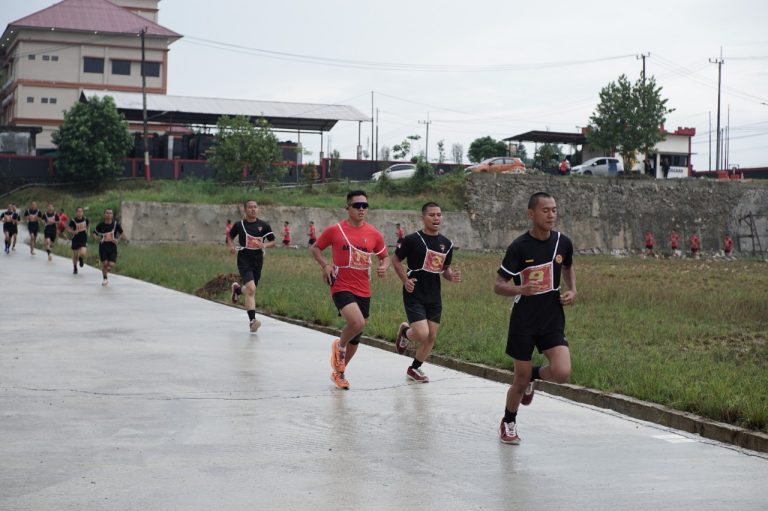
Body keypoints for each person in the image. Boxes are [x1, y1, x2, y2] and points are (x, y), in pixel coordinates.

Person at [493, 192, 577, 445]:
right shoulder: (519, 247)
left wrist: (572, 290)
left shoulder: (563, 242)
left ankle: (534, 375)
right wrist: (519, 289)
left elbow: (568, 266)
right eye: (545, 210)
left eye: (554, 210)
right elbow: (498, 285)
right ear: (531, 214)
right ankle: (508, 420)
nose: (551, 215)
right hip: (524, 318)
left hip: (552, 315)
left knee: (562, 372)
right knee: (519, 378)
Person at [311, 190, 389, 390]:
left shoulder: (374, 233)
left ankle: (339, 372)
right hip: (340, 284)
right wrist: (326, 266)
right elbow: (316, 248)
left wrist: (383, 266)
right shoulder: (335, 230)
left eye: (365, 205)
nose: (361, 209)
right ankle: (339, 346)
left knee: (357, 333)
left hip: (363, 288)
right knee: (357, 322)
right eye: (357, 205)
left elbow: (384, 256)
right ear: (348, 207)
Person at [392, 202, 461, 383]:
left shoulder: (447, 244)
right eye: (431, 215)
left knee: (431, 336)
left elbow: (445, 269)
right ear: (423, 218)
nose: (436, 218)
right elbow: (396, 260)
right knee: (421, 334)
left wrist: (451, 276)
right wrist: (405, 280)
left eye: (439, 214)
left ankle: (414, 369)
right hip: (414, 291)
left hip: (434, 294)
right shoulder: (412, 240)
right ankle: (405, 332)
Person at [227, 200, 276, 332]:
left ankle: (237, 290)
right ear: (245, 209)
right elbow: (230, 237)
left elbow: (273, 241)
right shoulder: (239, 225)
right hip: (244, 258)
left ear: (258, 209)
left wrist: (264, 245)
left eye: (255, 207)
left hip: (258, 260)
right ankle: (252, 321)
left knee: (250, 290)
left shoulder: (264, 225)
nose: (253, 209)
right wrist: (231, 246)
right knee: (251, 288)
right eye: (250, 207)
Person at [92, 208, 124, 286]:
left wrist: (117, 240)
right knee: (105, 263)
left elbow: (122, 233)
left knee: (111, 264)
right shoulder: (101, 224)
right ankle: (105, 278)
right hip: (103, 247)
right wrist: (96, 237)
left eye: (110, 213)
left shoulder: (116, 225)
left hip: (112, 247)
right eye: (107, 213)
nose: (109, 215)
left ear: (112, 215)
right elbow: (94, 233)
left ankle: (107, 271)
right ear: (104, 215)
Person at [66, 207, 89, 274]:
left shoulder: (85, 219)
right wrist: (73, 231)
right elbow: (68, 229)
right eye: (78, 211)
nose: (79, 213)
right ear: (76, 213)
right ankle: (75, 267)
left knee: (83, 253)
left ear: (82, 212)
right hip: (75, 239)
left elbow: (88, 225)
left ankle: (81, 259)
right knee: (75, 255)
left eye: (81, 211)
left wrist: (88, 232)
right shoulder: (73, 221)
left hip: (83, 239)